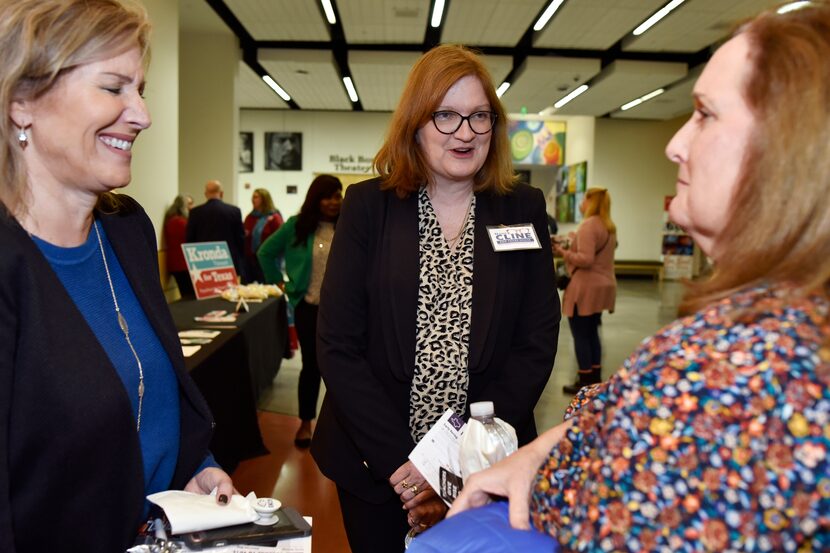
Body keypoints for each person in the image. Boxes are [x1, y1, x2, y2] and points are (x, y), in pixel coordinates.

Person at [422, 4, 830, 552]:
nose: (675, 144)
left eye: (706, 115)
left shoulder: (757, 371)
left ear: (785, 152)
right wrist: (550, 447)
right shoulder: (756, 331)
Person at [0, 1, 236, 551]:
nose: (142, 114)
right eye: (113, 88)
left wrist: (192, 470)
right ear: (22, 103)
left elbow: (146, 391)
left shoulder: (126, 230)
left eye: (141, 89)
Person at [310, 44, 560, 553]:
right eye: (445, 115)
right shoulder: (367, 208)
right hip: (378, 467)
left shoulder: (522, 208)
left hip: (486, 466)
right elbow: (338, 344)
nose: (464, 132)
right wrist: (409, 472)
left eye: (479, 116)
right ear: (415, 124)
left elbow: (536, 340)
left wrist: (459, 465)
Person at [257, 175, 342, 448]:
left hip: (343, 311)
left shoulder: (349, 225)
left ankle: (342, 427)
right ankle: (306, 423)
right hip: (308, 308)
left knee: (343, 368)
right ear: (316, 199)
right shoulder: (297, 226)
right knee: (311, 367)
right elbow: (265, 253)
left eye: (337, 195)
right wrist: (282, 283)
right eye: (328, 196)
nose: (333, 202)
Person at [553, 187, 616, 394]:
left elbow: (586, 259)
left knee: (580, 334)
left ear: (591, 202)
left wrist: (562, 252)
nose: (581, 204)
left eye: (584, 200)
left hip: (585, 287)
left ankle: (584, 379)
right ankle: (594, 377)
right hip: (603, 285)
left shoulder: (589, 225)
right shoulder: (608, 226)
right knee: (592, 333)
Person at [186, 179, 246, 281]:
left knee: (207, 292)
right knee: (229, 292)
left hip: (203, 261)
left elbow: (190, 239)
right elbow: (240, 238)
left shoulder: (195, 213)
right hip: (228, 260)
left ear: (205, 194)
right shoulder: (234, 211)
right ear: (222, 193)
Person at [243, 187, 283, 283]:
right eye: (252, 197)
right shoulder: (250, 217)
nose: (253, 199)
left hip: (267, 260)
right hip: (251, 260)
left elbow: (280, 240)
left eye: (256, 197)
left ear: (264, 199)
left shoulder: (274, 217)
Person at [163, 194, 195, 298]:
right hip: (182, 264)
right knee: (189, 295)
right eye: (189, 204)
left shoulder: (174, 220)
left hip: (179, 263)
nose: (192, 207)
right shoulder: (179, 222)